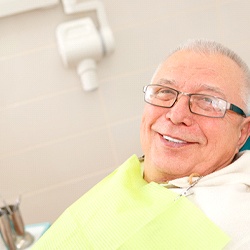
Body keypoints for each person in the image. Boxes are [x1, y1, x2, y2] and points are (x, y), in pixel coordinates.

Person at [33, 39, 250, 250]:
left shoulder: (237, 221)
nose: (176, 115)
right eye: (165, 92)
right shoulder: (136, 173)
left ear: (242, 133)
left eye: (208, 101)